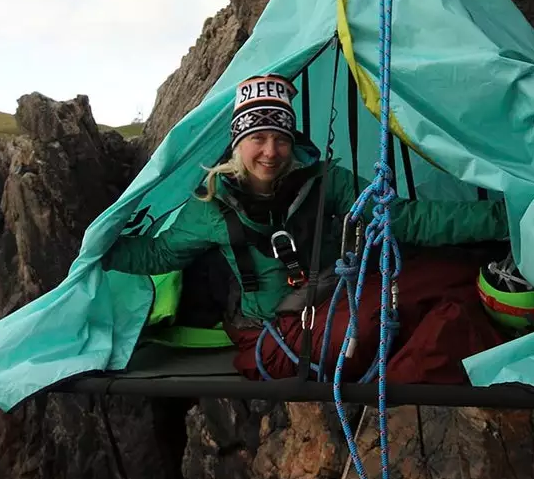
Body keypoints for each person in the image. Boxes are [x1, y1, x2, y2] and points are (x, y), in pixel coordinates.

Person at [102, 74, 511, 383]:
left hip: (335, 296)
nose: (270, 151)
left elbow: (403, 220)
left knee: (453, 272)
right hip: (277, 333)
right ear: (237, 143)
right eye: (257, 137)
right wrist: (97, 249)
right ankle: (407, 378)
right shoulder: (210, 205)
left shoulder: (324, 181)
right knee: (377, 320)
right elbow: (159, 254)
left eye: (280, 138)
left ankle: (421, 359)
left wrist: (506, 219)